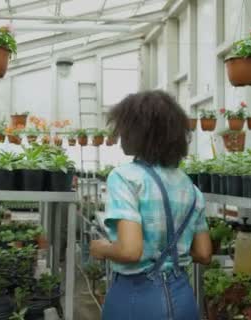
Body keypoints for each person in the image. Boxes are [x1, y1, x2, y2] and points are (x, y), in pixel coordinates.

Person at [90, 90, 212, 320]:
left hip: (136, 299)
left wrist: (102, 248)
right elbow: (204, 253)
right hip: (183, 299)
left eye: (124, 129)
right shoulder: (190, 187)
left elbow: (129, 250)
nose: (120, 137)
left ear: (140, 133)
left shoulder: (126, 177)